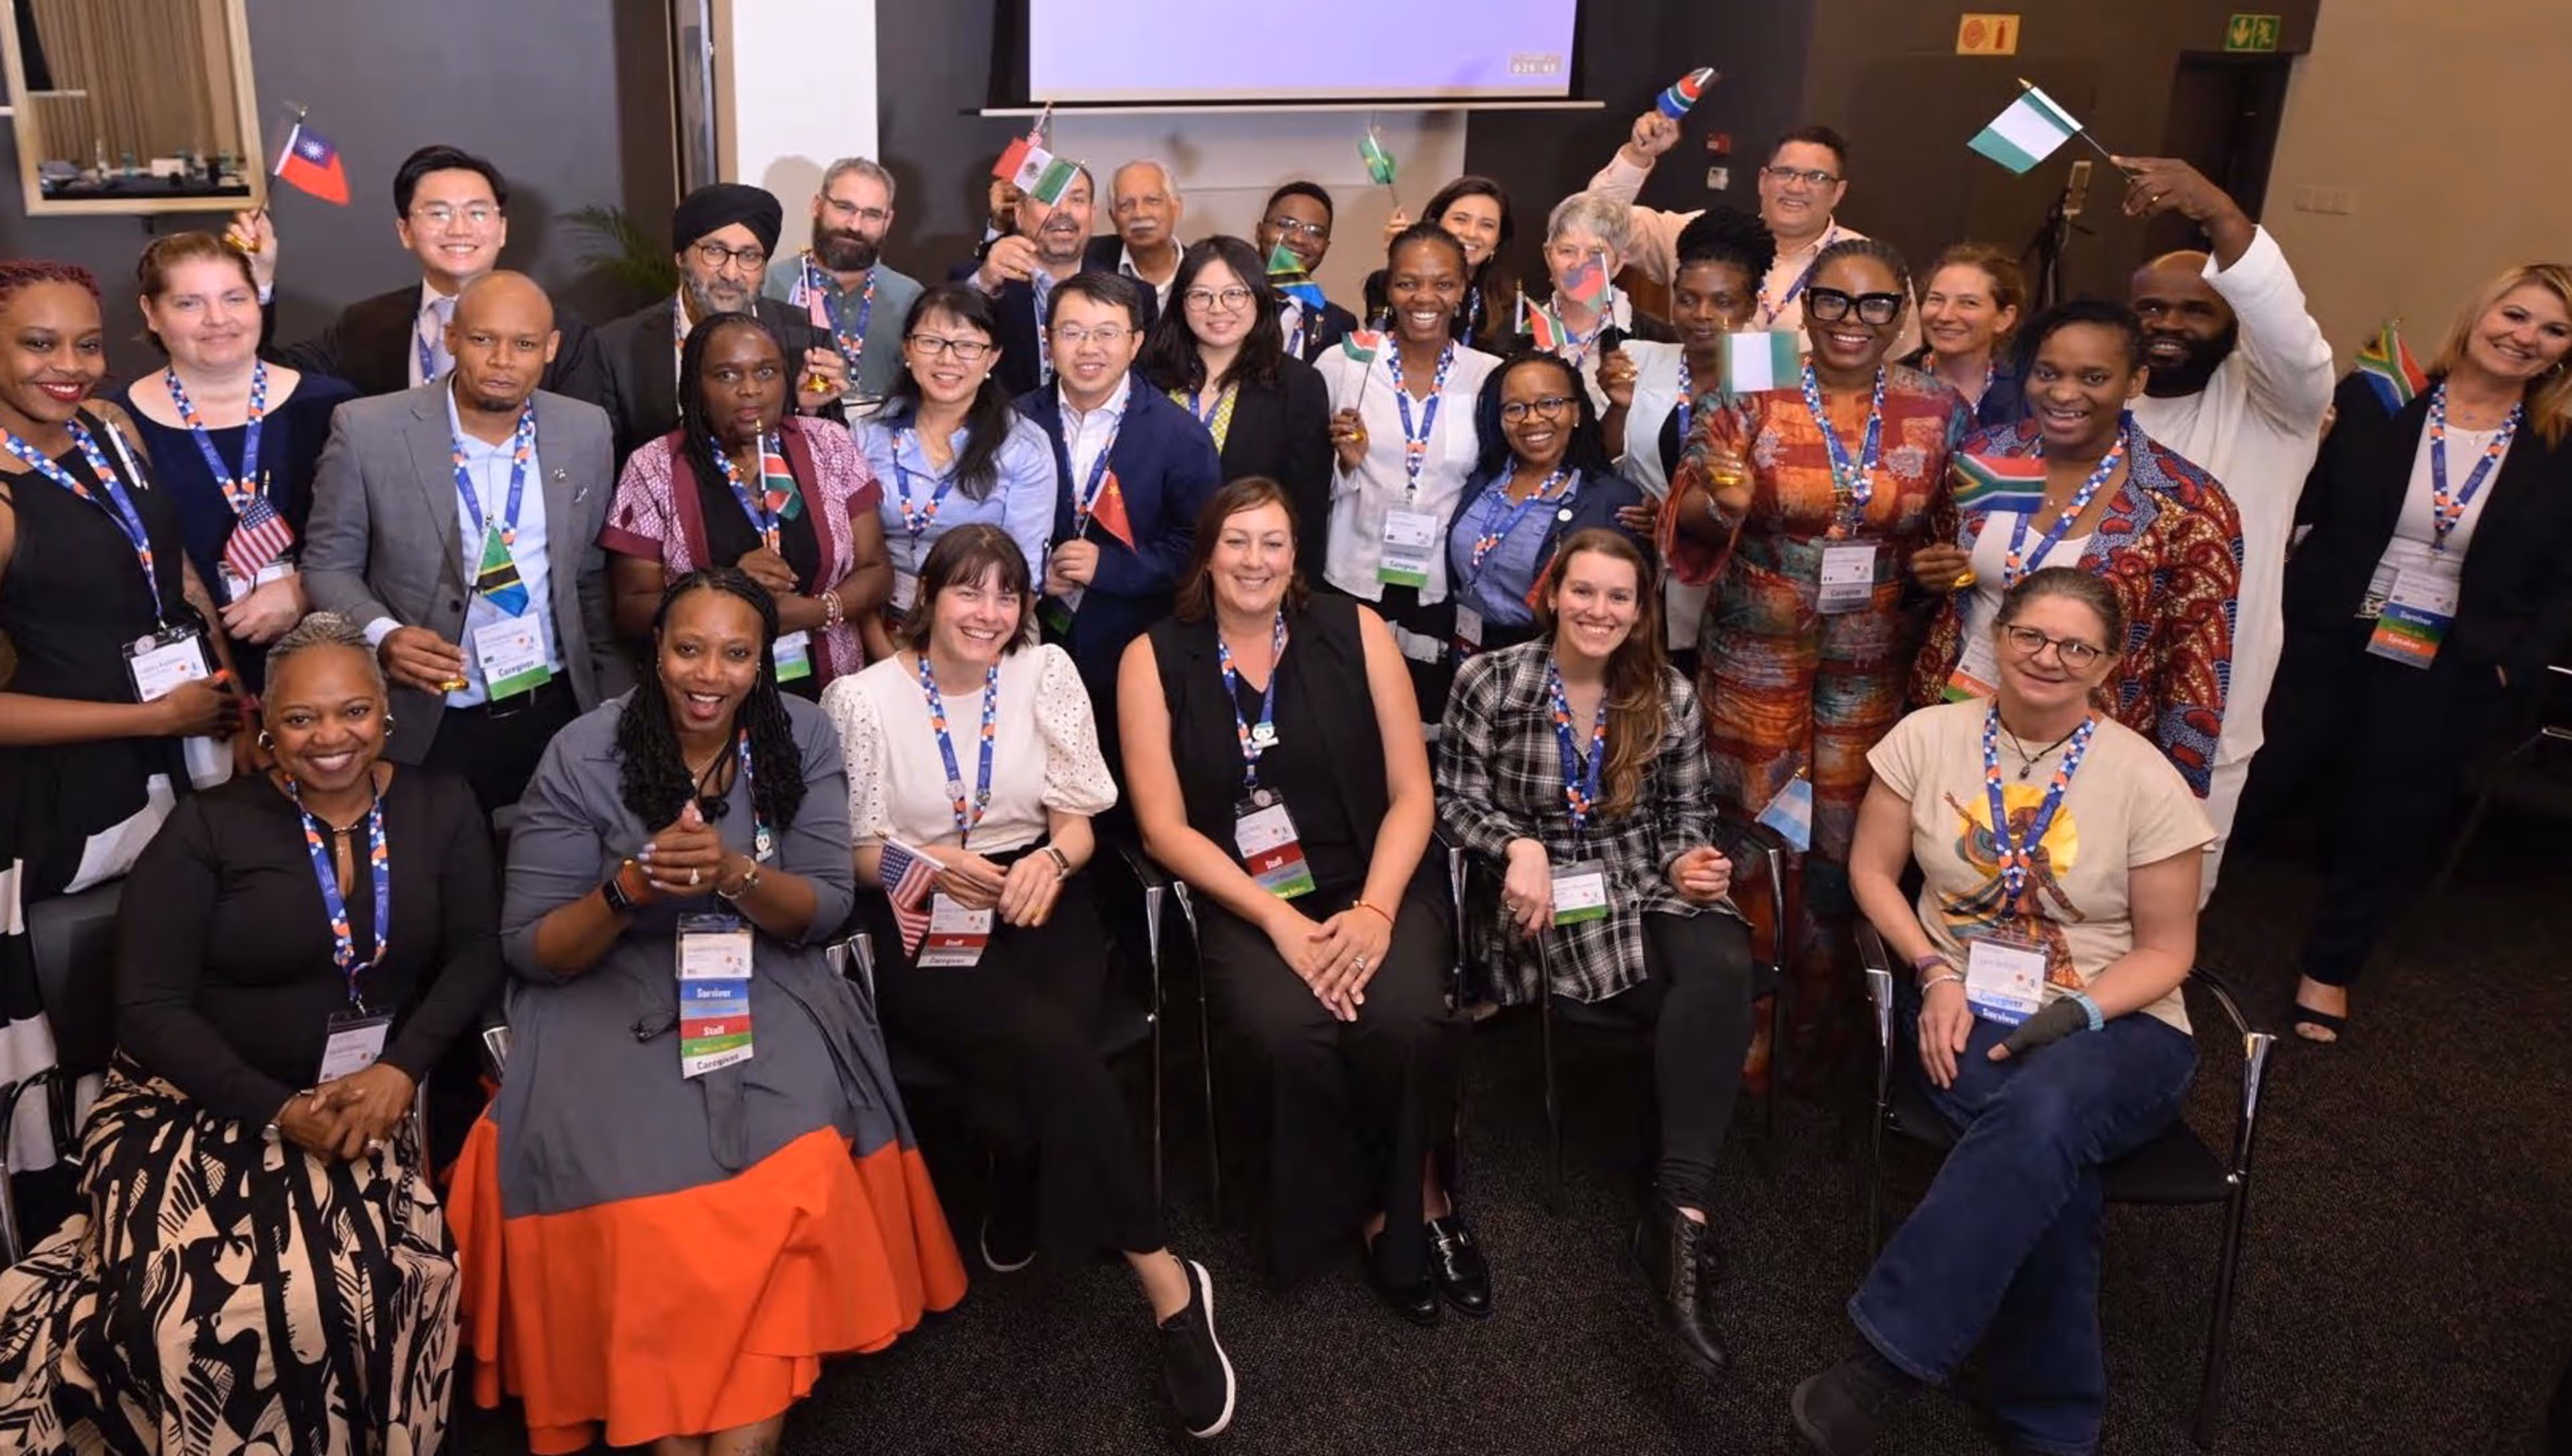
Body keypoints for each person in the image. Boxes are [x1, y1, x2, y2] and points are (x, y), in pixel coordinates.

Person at [451, 567, 965, 1455]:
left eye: (736, 654)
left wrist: (735, 873)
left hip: (765, 975)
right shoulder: (583, 751)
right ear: (656, 651)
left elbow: (827, 909)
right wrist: (628, 888)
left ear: (765, 663)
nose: (709, 673)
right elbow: (534, 947)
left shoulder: (800, 733)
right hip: (606, 991)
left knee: (796, 1167)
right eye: (689, 648)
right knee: (629, 1197)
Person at [0, 612, 496, 1451]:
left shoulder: (442, 804)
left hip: (363, 1096)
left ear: (388, 714)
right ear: (267, 723)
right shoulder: (206, 828)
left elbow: (478, 951)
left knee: (371, 1282)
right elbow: (150, 1009)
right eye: (300, 718)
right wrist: (278, 1109)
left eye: (353, 712)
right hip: (190, 1103)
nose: (330, 737)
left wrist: (403, 1070)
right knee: (213, 1309)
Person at [823, 528, 1237, 1438]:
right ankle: (1167, 1277)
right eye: (969, 593)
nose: (989, 614)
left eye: (1007, 595)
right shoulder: (859, 696)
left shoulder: (1044, 671)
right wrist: (922, 859)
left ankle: (1017, 1157)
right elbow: (851, 848)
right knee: (1050, 1043)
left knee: (1043, 1043)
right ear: (925, 596)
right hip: (923, 902)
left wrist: (1053, 859)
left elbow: (1082, 818)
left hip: (1041, 891)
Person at [1792, 567, 2212, 1456]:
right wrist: (1933, 973)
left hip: (2119, 1024)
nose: (2048, 658)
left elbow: (2171, 952)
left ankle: (1889, 1364)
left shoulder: (2147, 780)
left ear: (2107, 664)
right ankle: (2052, 1424)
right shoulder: (1928, 737)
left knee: (2048, 1107)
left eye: (2076, 646)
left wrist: (2074, 1015)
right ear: (1999, 636)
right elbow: (1871, 870)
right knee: (2046, 1151)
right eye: (2031, 635)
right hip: (1967, 1002)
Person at [1119, 478, 1476, 1318]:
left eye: (1273, 542)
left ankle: (1420, 1203)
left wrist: (1377, 911)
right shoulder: (1153, 656)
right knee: (1290, 1028)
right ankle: (1341, 1205)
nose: (1255, 560)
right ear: (1207, 551)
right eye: (1236, 540)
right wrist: (1280, 920)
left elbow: (1413, 792)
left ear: (1296, 553)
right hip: (1247, 895)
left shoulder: (1355, 630)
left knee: (1408, 1013)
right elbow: (1163, 828)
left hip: (1371, 876)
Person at [1436, 528, 1756, 1374]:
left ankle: (1678, 1211)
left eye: (1619, 596)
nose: (1599, 610)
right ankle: (1677, 1206)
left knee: (1722, 962)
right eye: (1583, 591)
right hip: (1539, 903)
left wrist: (1691, 858)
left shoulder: (1667, 693)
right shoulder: (1491, 680)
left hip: (1642, 884)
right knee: (1704, 998)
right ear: (1551, 592)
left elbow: (1688, 816)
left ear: (1642, 608)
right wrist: (1519, 847)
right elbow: (1454, 804)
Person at [1661, 237, 1969, 1079]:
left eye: (1875, 305)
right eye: (1832, 300)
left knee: (1848, 839)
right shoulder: (1753, 374)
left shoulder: (1934, 405)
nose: (1851, 321)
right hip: (1757, 653)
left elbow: (1955, 531)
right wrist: (1717, 507)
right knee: (1749, 830)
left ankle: (1827, 1027)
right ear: (1805, 304)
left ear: (1900, 314)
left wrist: (1952, 563)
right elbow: (1686, 512)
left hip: (1871, 662)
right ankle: (1742, 1025)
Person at [2240, 263, 2572, 1043]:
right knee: (2264, 771)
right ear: (2477, 313)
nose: (2525, 336)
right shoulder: (2380, 399)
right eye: (2514, 314)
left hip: (2453, 654)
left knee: (2392, 812)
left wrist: (2515, 661)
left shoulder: (2558, 450)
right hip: (2329, 626)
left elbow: (2565, 579)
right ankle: (2177, 924)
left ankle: (2330, 968)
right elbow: (2306, 501)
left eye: (2552, 329)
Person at [1, 259, 247, 1179]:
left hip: (187, 738)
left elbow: (172, 576)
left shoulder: (105, 428)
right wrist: (144, 718)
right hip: (83, 790)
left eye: (87, 343)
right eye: (37, 344)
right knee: (104, 1015)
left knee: (196, 975)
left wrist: (231, 697)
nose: (68, 365)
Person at [303, 271, 625, 815]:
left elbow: (589, 573)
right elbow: (327, 566)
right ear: (451, 337)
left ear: (550, 350)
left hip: (552, 705)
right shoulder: (368, 430)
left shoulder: (586, 429)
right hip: (430, 714)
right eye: (483, 340)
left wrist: (612, 699)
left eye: (524, 344)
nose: (503, 360)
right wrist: (384, 635)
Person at [1909, 301, 2243, 794]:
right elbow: (1956, 572)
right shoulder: (1990, 457)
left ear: (2135, 382)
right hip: (1961, 714)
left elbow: (2196, 666)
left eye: (2093, 378)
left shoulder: (2183, 504)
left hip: (2090, 751)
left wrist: (2173, 799)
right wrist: (1933, 576)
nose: (2064, 393)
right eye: (2048, 373)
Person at [2118, 156, 2335, 879]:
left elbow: (2290, 338)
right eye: (2151, 308)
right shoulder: (2099, 403)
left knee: (2171, 883)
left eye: (2194, 308)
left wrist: (2218, 212)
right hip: (2090, 682)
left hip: (2207, 693)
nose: (2169, 324)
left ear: (2233, 320)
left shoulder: (2277, 408)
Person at [110, 231, 359, 697]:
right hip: (187, 684)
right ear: (151, 313)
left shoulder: (335, 406)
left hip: (327, 667)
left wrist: (306, 587)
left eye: (234, 298)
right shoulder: (115, 423)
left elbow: (385, 541)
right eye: (189, 304)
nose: (218, 319)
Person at [603, 311, 892, 697]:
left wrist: (817, 612)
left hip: (831, 689)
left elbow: (876, 570)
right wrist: (726, 588)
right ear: (696, 385)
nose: (750, 389)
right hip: (708, 696)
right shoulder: (654, 465)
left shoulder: (829, 443)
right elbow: (632, 607)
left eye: (767, 372)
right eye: (727, 375)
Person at [247, 144, 608, 403]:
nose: (459, 229)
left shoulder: (560, 332)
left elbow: (586, 446)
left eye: (477, 213)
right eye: (438, 213)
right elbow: (270, 373)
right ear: (404, 231)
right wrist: (259, 280)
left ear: (502, 230)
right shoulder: (363, 326)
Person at [1017, 271, 1224, 719]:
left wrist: (1108, 566)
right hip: (1026, 643)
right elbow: (985, 526)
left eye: (1107, 333)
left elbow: (1199, 546)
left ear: (1136, 342)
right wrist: (1031, 572)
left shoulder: (1179, 436)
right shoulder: (1015, 423)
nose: (1089, 349)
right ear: (1048, 339)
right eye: (1071, 333)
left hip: (1135, 648)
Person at [1319, 224, 1504, 709]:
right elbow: (1302, 480)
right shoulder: (1344, 365)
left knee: (1425, 719)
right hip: (1352, 573)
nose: (1425, 297)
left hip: (1442, 585)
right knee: (1348, 713)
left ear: (1463, 289)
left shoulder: (1487, 375)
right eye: (1408, 283)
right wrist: (1343, 464)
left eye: (1443, 283)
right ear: (1388, 287)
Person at [1588, 117, 1922, 358]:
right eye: (1785, 173)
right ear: (1763, 181)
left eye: (1816, 177)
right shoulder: (1703, 235)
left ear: (1838, 192)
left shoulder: (1868, 265)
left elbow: (1902, 360)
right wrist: (1638, 155)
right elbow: (1593, 222)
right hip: (1695, 416)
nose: (1795, 187)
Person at [1600, 207, 1776, 659]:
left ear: (1751, 306)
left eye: (1723, 302)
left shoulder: (1771, 369)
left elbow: (1786, 479)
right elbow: (1605, 461)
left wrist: (1674, 513)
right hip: (1644, 581)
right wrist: (1619, 409)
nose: (1701, 315)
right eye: (1687, 298)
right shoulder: (1639, 356)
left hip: (1741, 588)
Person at [856, 284, 1059, 658]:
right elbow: (855, 559)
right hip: (879, 622)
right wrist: (885, 655)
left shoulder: (1023, 446)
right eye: (931, 342)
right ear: (907, 349)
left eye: (967, 345)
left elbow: (1025, 580)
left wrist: (971, 648)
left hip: (989, 628)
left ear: (993, 357)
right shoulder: (867, 435)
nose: (948, 360)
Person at [595, 182, 843, 465]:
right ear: (680, 256)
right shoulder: (616, 347)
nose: (731, 272)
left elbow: (836, 465)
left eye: (749, 256)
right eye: (715, 251)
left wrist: (807, 412)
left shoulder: (805, 337)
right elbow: (603, 469)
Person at [1140, 236, 1334, 569]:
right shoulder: (1147, 378)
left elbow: (1307, 510)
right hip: (1153, 573)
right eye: (1201, 295)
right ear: (1180, 302)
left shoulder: (1299, 386)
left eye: (1235, 294)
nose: (1218, 309)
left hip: (1251, 575)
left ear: (1259, 297)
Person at [1446, 351, 1650, 658]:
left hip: (1556, 666)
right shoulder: (1482, 480)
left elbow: (1632, 616)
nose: (1532, 418)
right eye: (1515, 408)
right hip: (1469, 654)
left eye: (1550, 403)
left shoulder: (1612, 501)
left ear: (1577, 412)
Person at [762, 157, 926, 405]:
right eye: (845, 208)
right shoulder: (772, 285)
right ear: (817, 206)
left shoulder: (909, 296)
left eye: (872, 214)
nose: (855, 225)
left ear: (888, 221)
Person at [1518, 191, 1674, 409]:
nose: (1580, 264)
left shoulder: (1657, 339)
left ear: (1619, 263)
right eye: (1567, 251)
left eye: (1596, 253)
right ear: (1548, 255)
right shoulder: (1513, 330)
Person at [969, 162, 1106, 398]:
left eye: (1077, 200)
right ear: (1020, 214)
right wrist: (985, 282)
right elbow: (953, 330)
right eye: (1048, 198)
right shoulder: (986, 283)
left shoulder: (1130, 294)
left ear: (1092, 214)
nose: (1063, 210)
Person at [1371, 177, 1518, 354]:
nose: (1471, 233)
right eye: (1460, 219)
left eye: (1487, 225)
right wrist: (1402, 260)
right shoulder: (1382, 285)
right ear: (1436, 222)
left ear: (1498, 239)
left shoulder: (1510, 306)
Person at [1910, 242, 2027, 428]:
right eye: (1936, 300)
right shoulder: (1885, 386)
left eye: (1968, 303)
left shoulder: (2027, 397)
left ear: (2004, 318)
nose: (1945, 315)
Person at [1257, 181, 1359, 363]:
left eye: (1315, 232)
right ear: (1260, 231)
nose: (1298, 238)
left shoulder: (1339, 325)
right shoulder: (1221, 304)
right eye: (1287, 224)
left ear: (1325, 247)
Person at [1085, 159, 1188, 310]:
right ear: (1113, 217)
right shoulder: (1086, 262)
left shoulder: (1202, 272)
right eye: (1126, 205)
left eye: (1152, 201)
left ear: (1176, 209)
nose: (1140, 214)